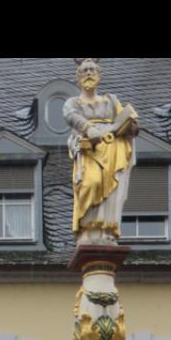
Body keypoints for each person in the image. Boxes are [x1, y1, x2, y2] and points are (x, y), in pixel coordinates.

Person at [64, 58, 138, 244]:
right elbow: (72, 118)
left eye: (92, 70)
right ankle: (86, 230)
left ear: (99, 75)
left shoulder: (111, 101)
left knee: (111, 192)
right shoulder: (73, 103)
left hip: (113, 150)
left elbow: (129, 122)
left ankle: (106, 230)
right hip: (90, 149)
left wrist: (130, 127)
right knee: (90, 184)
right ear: (78, 77)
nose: (89, 73)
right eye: (85, 71)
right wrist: (90, 130)